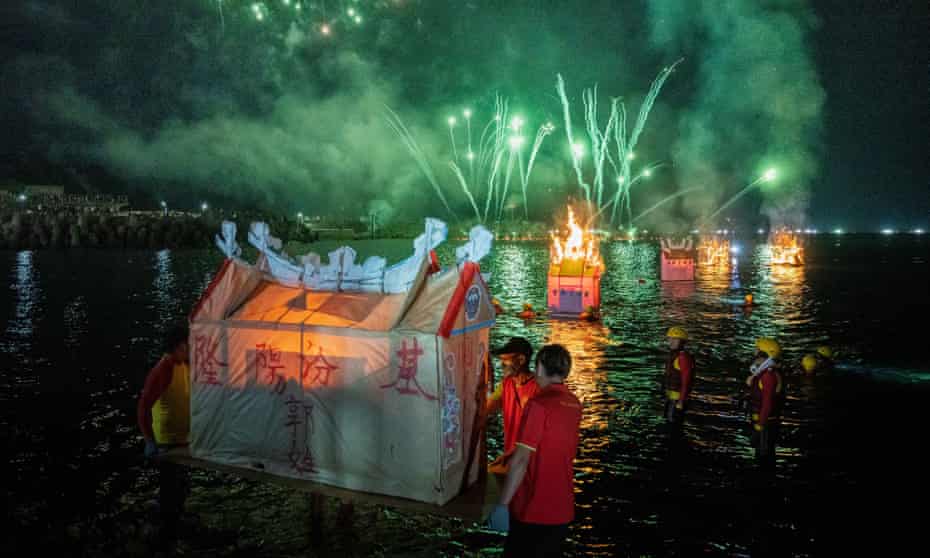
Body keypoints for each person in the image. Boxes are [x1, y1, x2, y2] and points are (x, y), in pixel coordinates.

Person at [488, 344, 582, 557]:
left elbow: (522, 459)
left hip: (533, 507)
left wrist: (503, 503)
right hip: (562, 507)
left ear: (540, 368)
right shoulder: (575, 404)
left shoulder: (538, 404)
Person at [137, 324, 191, 544]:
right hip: (167, 442)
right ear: (178, 346)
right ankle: (166, 535)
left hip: (183, 438)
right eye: (187, 346)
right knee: (170, 487)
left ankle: (174, 522)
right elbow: (143, 407)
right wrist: (149, 440)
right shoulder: (163, 369)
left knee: (182, 485)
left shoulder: (184, 363)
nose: (191, 349)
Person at [485, 337, 540, 474]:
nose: (501, 365)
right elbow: (487, 408)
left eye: (505, 360)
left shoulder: (538, 388)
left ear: (521, 360)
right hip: (511, 456)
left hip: (530, 460)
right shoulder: (506, 384)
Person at [745, 338, 785, 468]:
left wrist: (760, 425)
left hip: (765, 423)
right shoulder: (763, 373)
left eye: (758, 349)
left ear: (764, 354)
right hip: (760, 420)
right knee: (760, 451)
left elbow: (767, 403)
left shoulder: (768, 376)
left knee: (764, 454)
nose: (755, 351)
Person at [663, 327, 695, 426]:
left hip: (677, 399)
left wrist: (681, 401)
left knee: (673, 423)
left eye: (675, 339)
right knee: (667, 420)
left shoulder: (683, 357)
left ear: (682, 342)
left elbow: (686, 381)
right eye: (669, 339)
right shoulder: (673, 355)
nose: (671, 342)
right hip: (670, 396)